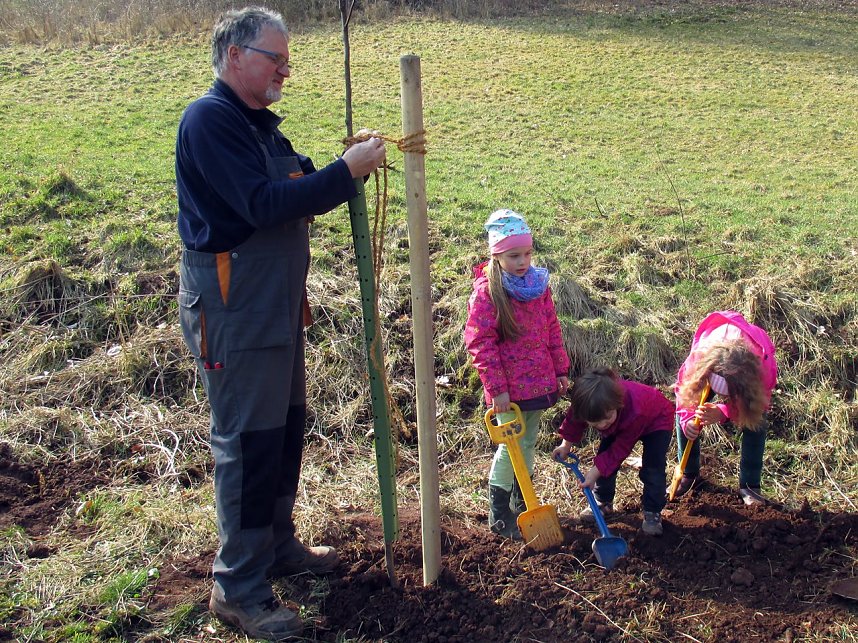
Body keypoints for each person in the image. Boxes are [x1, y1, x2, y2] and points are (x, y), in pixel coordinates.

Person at [174, 7, 386, 640]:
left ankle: (275, 544)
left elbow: (297, 184)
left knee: (285, 428)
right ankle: (237, 588)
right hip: (236, 310)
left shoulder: (262, 129)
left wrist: (333, 171)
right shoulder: (210, 120)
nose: (285, 70)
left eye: (288, 59)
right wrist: (343, 174)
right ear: (235, 55)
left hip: (274, 307)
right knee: (248, 443)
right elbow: (264, 205)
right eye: (276, 58)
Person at [464, 209, 570, 541]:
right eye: (513, 255)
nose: (523, 261)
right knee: (511, 446)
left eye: (527, 253)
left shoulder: (538, 285)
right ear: (496, 255)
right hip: (509, 389)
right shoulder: (488, 292)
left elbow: (552, 328)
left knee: (528, 441)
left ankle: (523, 499)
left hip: (538, 380)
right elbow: (480, 343)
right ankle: (500, 512)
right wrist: (497, 391)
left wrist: (561, 369)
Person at [672, 310, 777, 506]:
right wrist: (688, 423)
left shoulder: (763, 368)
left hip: (749, 374)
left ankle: (750, 486)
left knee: (757, 422)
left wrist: (724, 412)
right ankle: (688, 474)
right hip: (709, 362)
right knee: (687, 415)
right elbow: (683, 394)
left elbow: (758, 405)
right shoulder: (699, 359)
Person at [553, 368, 674, 536]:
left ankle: (652, 511)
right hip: (622, 422)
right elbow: (574, 421)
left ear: (616, 405)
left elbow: (620, 450)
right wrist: (566, 444)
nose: (602, 425)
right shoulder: (587, 404)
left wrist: (594, 473)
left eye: (607, 417)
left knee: (653, 469)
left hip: (656, 420)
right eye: (595, 423)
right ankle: (603, 501)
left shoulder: (635, 410)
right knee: (604, 457)